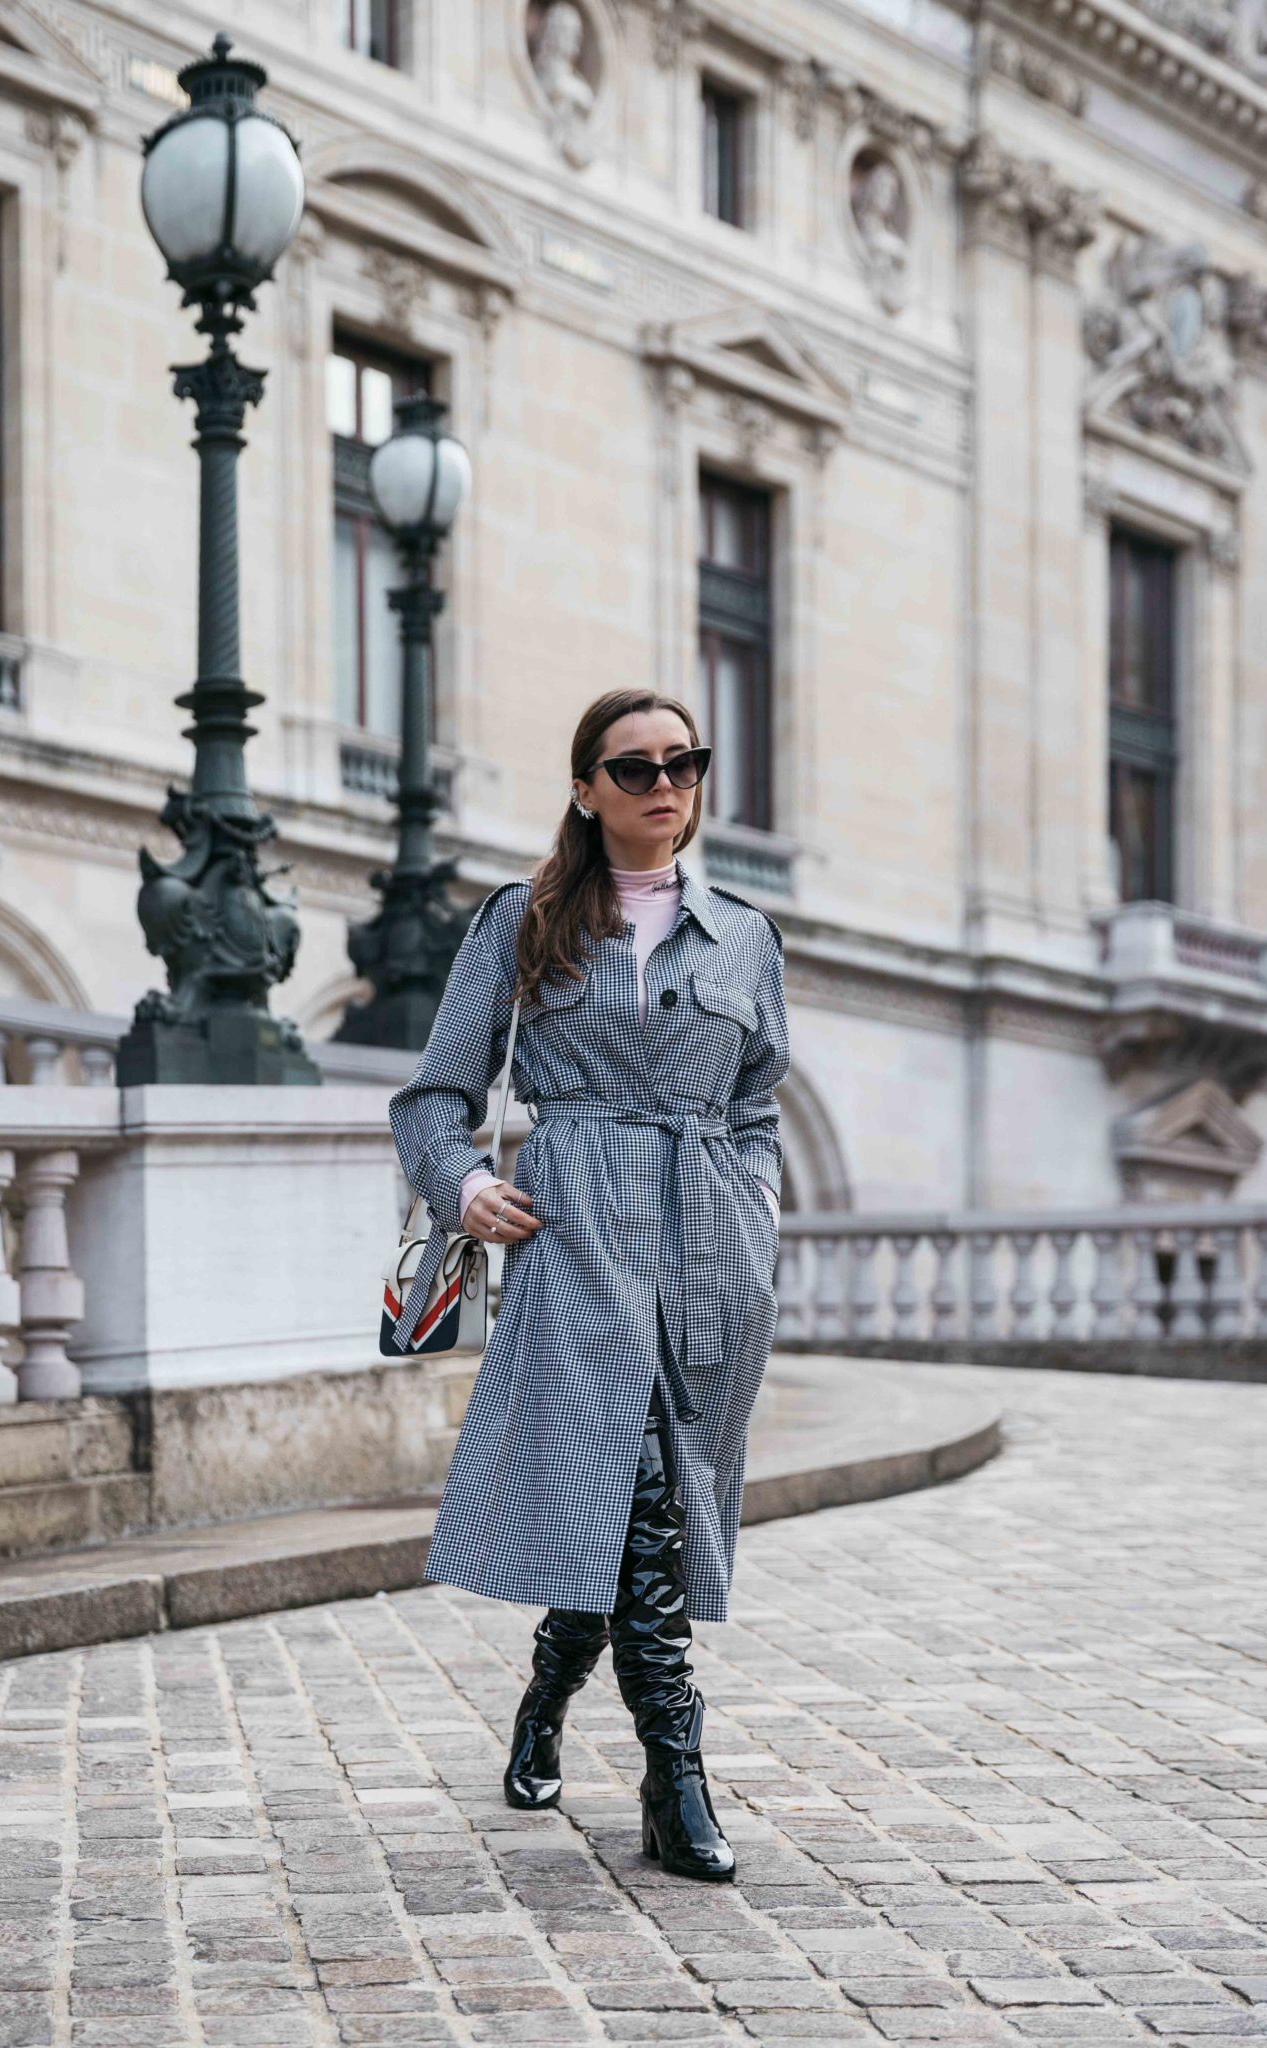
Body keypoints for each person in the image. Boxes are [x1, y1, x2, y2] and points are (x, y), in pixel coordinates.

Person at [387, 686, 790, 1881]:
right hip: (575, 1235)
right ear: (585, 788)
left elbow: (757, 1102)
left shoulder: (749, 936)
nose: (664, 783)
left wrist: (756, 1211)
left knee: (629, 1507)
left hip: (710, 1244)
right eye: (634, 767)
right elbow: (434, 1098)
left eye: (684, 761)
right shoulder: (524, 918)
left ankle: (543, 1704)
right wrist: (466, 1189)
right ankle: (678, 1782)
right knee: (646, 1496)